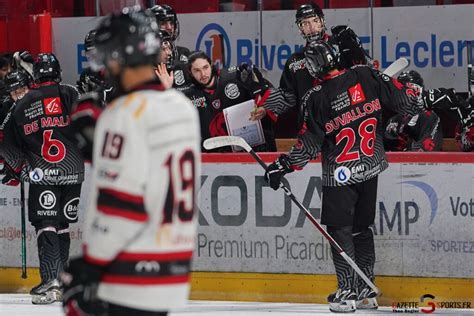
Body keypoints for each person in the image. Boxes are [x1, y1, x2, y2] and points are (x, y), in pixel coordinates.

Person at [264, 41, 430, 313]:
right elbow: (404, 103)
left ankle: (348, 292)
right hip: (372, 166)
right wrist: (420, 95)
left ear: (316, 67)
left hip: (340, 175)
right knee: (361, 229)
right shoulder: (366, 74)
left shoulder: (315, 97)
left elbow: (308, 145)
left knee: (340, 232)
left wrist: (282, 165)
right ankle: (366, 289)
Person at [61, 7, 201, 316]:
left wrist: (90, 266)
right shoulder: (182, 107)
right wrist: (100, 146)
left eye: (109, 57)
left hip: (127, 271)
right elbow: (150, 169)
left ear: (121, 56)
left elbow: (121, 205)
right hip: (171, 270)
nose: (107, 66)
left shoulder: (122, 114)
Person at [2, 52, 83, 305]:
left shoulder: (23, 103)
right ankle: (64, 280)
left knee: (46, 223)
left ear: (35, 76)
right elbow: (90, 126)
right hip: (73, 174)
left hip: (41, 173)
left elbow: (5, 141)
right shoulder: (71, 93)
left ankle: (52, 282)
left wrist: (18, 170)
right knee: (63, 225)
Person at [251, 3, 370, 136]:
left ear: (322, 21)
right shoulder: (295, 62)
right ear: (300, 28)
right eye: (305, 23)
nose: (312, 27)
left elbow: (367, 76)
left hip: (347, 122)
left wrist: (358, 53)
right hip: (313, 130)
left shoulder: (341, 46)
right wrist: (265, 104)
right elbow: (288, 97)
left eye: (315, 21)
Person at [182, 50, 276, 152]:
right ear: (190, 73)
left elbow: (270, 96)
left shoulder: (237, 76)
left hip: (253, 151)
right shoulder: (187, 95)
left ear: (211, 65)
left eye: (205, 67)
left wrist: (264, 108)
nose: (203, 74)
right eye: (197, 70)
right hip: (215, 157)